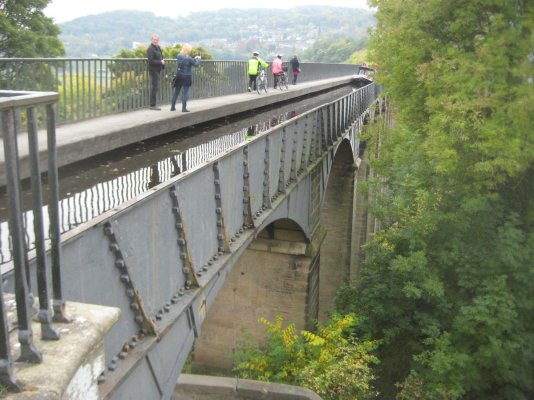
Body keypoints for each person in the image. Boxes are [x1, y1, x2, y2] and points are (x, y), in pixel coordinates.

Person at [170, 44, 201, 112]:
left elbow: (185, 60)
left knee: (176, 92)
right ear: (188, 50)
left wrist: (194, 59)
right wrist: (198, 59)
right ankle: (184, 108)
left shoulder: (178, 56)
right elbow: (195, 64)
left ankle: (172, 107)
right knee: (185, 92)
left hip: (179, 75)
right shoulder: (189, 58)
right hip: (187, 76)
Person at [147, 34, 165, 110]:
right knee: (154, 87)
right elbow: (151, 61)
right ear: (151, 40)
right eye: (154, 39)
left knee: (156, 87)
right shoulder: (150, 49)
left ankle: (154, 104)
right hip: (153, 70)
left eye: (157, 40)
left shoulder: (158, 47)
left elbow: (161, 57)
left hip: (158, 70)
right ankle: (152, 105)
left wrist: (163, 64)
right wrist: (160, 62)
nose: (155, 41)